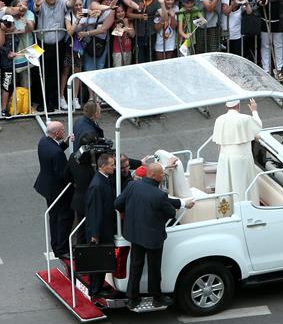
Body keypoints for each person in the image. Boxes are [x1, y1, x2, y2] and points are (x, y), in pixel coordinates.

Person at [114, 162, 194, 309]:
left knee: (135, 266)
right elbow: (170, 213)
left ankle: (132, 298)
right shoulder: (159, 194)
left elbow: (118, 203)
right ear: (153, 175)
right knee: (154, 269)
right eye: (161, 173)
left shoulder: (132, 186)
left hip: (134, 234)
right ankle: (157, 298)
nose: (163, 175)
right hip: (153, 237)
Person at [33, 121, 74, 259]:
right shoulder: (57, 153)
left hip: (47, 186)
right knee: (63, 218)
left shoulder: (44, 141)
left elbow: (53, 153)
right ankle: (61, 248)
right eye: (62, 130)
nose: (64, 132)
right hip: (58, 190)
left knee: (54, 217)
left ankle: (56, 245)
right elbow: (62, 174)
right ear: (56, 133)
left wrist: (65, 143)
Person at [212, 99, 261, 202]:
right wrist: (254, 110)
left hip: (224, 157)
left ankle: (226, 209)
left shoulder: (219, 119)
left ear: (226, 107)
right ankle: (245, 208)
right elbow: (258, 126)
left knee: (226, 185)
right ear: (238, 106)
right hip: (241, 158)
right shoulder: (245, 118)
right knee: (242, 185)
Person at [84, 153, 116, 298]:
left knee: (101, 259)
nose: (114, 167)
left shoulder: (102, 179)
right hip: (101, 230)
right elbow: (95, 211)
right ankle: (95, 290)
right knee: (99, 260)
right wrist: (95, 234)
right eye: (112, 165)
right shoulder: (97, 185)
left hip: (104, 227)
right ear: (103, 166)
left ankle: (97, 286)